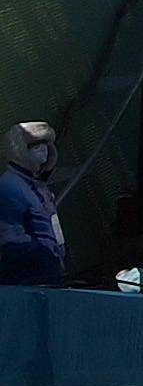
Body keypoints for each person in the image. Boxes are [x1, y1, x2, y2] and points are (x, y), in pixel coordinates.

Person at [0, 122, 65, 289]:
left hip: (49, 279)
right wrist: (45, 256)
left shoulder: (40, 187)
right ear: (18, 149)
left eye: (45, 143)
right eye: (34, 145)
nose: (43, 148)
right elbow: (10, 238)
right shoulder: (9, 185)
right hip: (25, 283)